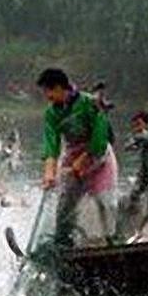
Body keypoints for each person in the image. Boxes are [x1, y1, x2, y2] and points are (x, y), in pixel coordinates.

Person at [38, 68, 118, 247]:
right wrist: (49, 173)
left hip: (98, 156)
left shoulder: (90, 103)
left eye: (48, 91)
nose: (47, 96)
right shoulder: (52, 113)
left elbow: (100, 138)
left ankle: (113, 243)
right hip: (73, 156)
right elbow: (51, 145)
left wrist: (83, 160)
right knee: (65, 206)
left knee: (106, 203)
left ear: (59, 87)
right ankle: (63, 244)